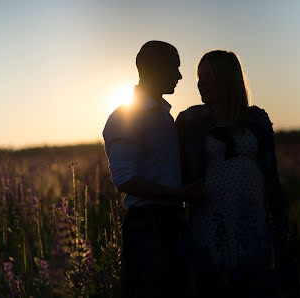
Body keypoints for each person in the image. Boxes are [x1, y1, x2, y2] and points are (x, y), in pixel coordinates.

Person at [175, 50, 288, 297]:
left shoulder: (256, 119)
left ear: (226, 79)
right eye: (199, 77)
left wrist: (280, 225)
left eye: (207, 77)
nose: (200, 83)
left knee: (252, 283)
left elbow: (272, 177)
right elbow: (177, 173)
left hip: (250, 219)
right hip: (209, 220)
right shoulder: (191, 121)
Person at [103, 40, 202, 298]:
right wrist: (180, 195)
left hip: (170, 221)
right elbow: (125, 179)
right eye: (174, 68)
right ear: (155, 69)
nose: (180, 76)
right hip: (148, 224)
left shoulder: (163, 115)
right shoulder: (126, 117)